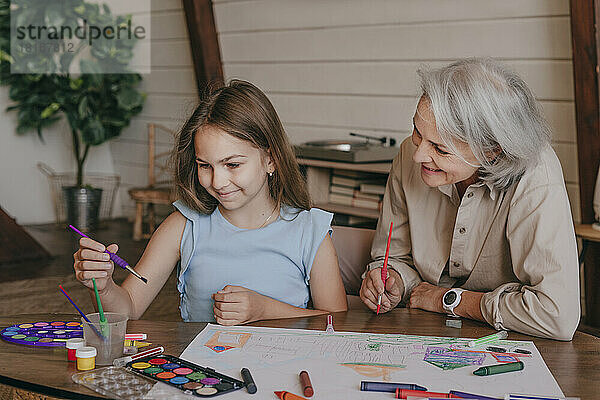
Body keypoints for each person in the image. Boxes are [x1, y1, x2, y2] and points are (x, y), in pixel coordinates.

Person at [73, 80, 347, 325]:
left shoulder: (310, 231)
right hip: (203, 377)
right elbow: (129, 308)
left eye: (232, 164)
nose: (217, 181)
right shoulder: (183, 225)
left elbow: (339, 322)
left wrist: (264, 309)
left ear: (270, 159)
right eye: (205, 165)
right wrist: (105, 285)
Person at [359, 58, 580, 340]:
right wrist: (393, 280)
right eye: (417, 132)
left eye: (440, 148)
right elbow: (394, 257)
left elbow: (555, 315)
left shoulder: (536, 176)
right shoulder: (408, 155)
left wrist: (449, 300)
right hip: (419, 331)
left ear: (492, 151)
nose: (418, 156)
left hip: (507, 343)